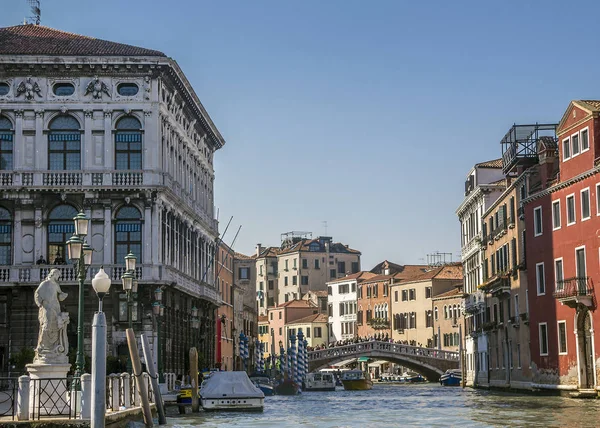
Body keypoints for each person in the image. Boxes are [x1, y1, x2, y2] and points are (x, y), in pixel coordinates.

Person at [34, 269, 69, 363]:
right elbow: (37, 294)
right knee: (46, 325)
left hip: (56, 307)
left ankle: (54, 347)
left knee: (55, 326)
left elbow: (59, 297)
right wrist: (41, 305)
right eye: (58, 274)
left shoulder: (56, 285)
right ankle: (44, 346)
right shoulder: (45, 284)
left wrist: (63, 295)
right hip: (47, 307)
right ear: (53, 274)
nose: (58, 276)